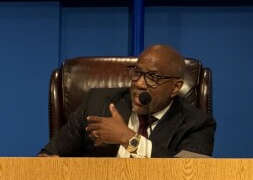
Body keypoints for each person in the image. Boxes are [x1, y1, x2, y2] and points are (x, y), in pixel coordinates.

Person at [39, 44, 216, 158]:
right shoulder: (97, 102)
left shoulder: (197, 124)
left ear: (175, 87)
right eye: (137, 72)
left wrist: (129, 138)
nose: (139, 83)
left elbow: (189, 174)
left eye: (153, 77)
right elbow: (48, 155)